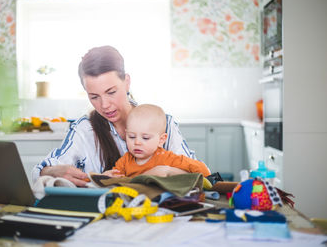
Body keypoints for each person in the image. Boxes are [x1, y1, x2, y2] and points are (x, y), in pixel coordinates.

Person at [32, 45, 205, 186]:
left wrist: (163, 171)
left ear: (127, 82)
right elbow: (40, 170)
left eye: (111, 92)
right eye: (94, 97)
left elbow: (201, 178)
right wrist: (52, 171)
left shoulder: (164, 123)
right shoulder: (84, 129)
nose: (105, 105)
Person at [103, 104, 210, 178]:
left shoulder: (168, 158)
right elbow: (115, 180)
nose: (137, 142)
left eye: (145, 138)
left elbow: (203, 170)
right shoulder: (125, 161)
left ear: (161, 139)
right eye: (131, 136)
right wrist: (106, 177)